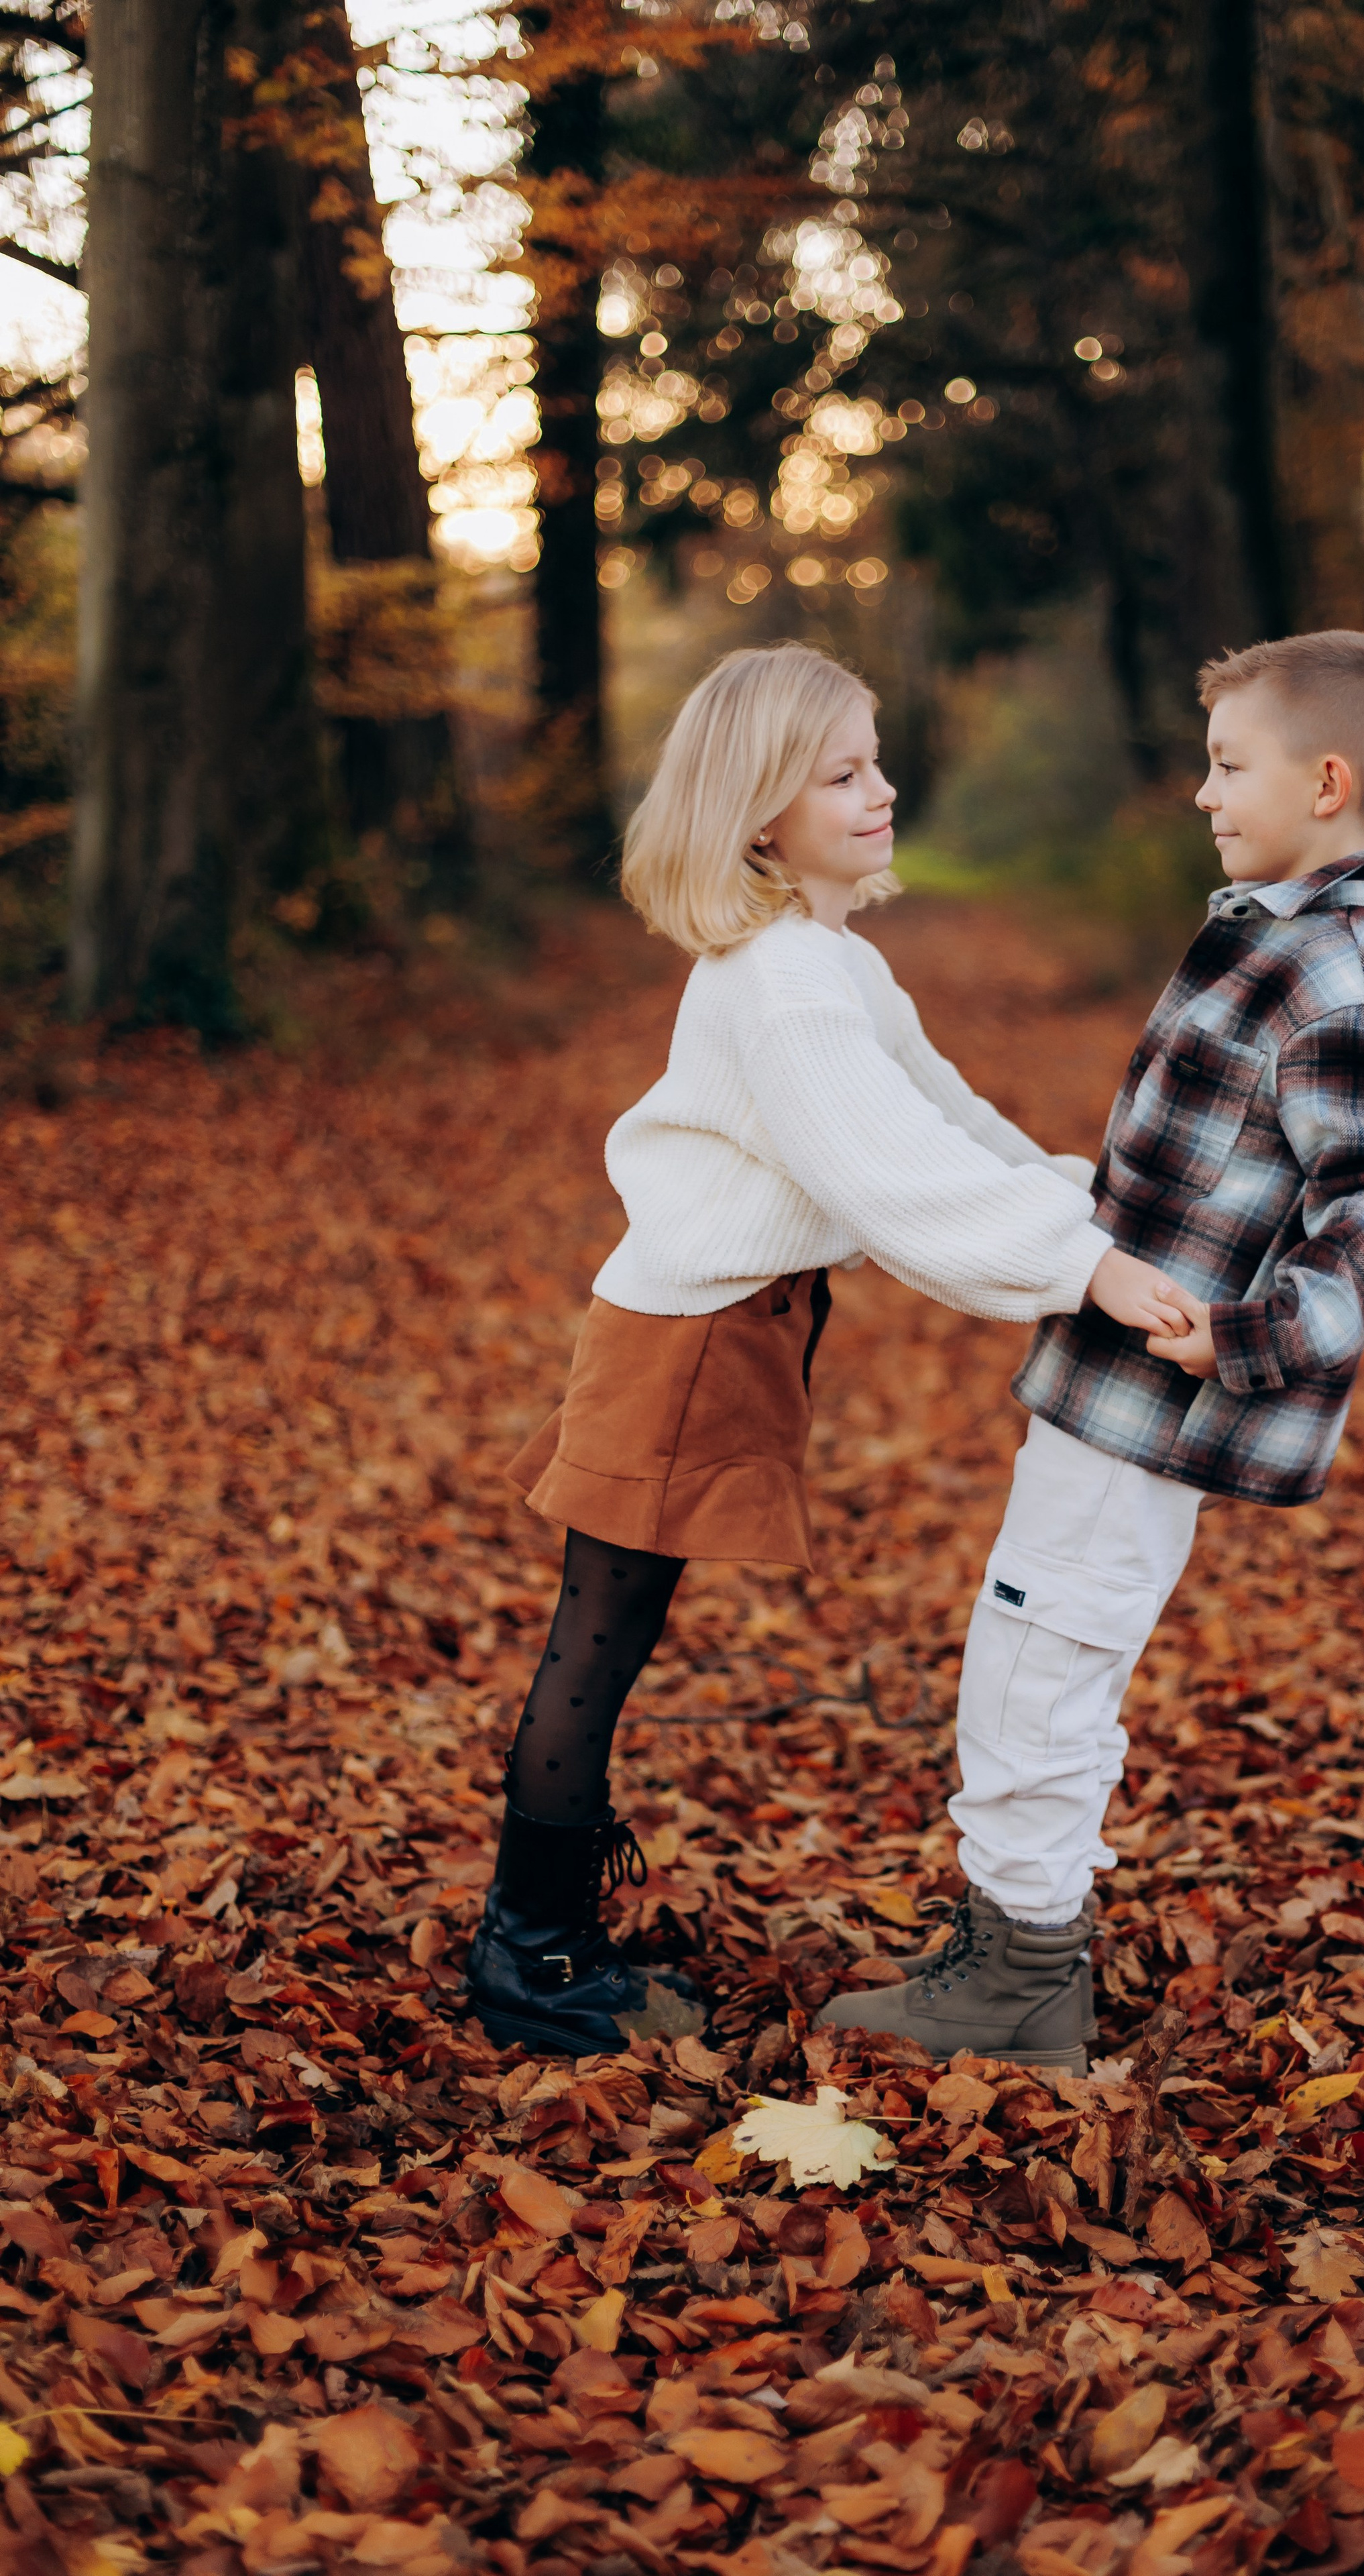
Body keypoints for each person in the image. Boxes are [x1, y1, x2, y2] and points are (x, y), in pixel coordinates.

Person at [465, 641, 1188, 2059]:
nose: (880, 789)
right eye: (841, 772)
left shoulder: (827, 964)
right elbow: (887, 1183)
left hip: (720, 1330)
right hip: (683, 1343)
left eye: (875, 762)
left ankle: (538, 1936)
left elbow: (942, 1120)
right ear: (755, 813)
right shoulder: (787, 982)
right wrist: (1082, 1267)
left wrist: (1083, 1211)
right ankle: (533, 1954)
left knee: (607, 1637)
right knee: (595, 1646)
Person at [819, 629, 1364, 2074]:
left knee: (1044, 1658)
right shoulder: (1268, 935)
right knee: (1029, 1642)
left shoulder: (1336, 975)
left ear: (1330, 779)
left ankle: (1024, 1978)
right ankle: (1009, 1940)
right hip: (1108, 1383)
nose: (1200, 792)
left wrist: (1255, 1335)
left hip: (1157, 1402)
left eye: (1229, 765)